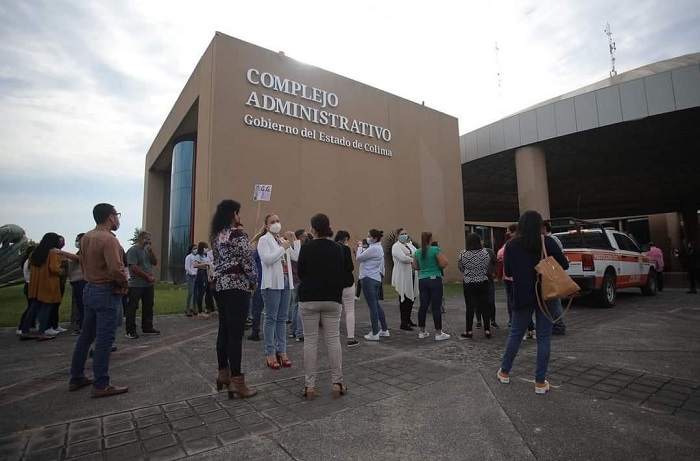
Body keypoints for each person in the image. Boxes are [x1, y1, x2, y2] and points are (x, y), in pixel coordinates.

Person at [497, 210, 569, 395]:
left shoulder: (511, 245)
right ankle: (540, 382)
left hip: (522, 294)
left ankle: (504, 372)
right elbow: (565, 264)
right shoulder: (548, 242)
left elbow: (510, 272)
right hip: (546, 294)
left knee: (515, 334)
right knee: (544, 337)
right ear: (540, 225)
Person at [69, 203, 129, 397]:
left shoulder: (87, 237)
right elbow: (115, 269)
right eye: (117, 215)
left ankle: (76, 376)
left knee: (86, 336)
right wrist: (124, 283)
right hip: (106, 290)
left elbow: (83, 263)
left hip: (90, 289)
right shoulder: (109, 240)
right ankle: (101, 383)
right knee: (104, 339)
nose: (118, 219)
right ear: (111, 217)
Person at [210, 199, 258, 398]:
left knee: (225, 330)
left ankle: (223, 372)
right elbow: (247, 260)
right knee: (236, 335)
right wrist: (254, 279)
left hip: (219, 284)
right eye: (238, 213)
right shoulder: (237, 234)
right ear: (234, 214)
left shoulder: (217, 235)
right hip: (236, 285)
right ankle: (237, 380)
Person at [298, 213, 348, 399]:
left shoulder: (306, 248)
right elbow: (340, 272)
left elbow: (301, 272)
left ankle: (309, 385)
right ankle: (337, 382)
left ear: (313, 229)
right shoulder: (338, 249)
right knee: (333, 340)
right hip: (332, 298)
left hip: (309, 298)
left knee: (310, 342)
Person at [257, 213, 294, 369]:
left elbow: (295, 256)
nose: (276, 223)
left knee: (282, 318)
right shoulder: (263, 240)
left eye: (278, 221)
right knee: (271, 317)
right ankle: (270, 352)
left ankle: (282, 350)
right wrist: (282, 248)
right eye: (273, 222)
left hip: (286, 280)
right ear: (266, 225)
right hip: (272, 282)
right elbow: (267, 259)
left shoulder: (281, 240)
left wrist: (292, 241)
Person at [19, 233, 65, 341]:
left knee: (33, 308)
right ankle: (41, 333)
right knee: (46, 308)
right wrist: (62, 271)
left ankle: (25, 331)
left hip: (35, 284)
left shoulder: (34, 253)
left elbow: (29, 267)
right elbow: (54, 269)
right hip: (47, 284)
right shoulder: (53, 253)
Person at [412, 231, 450, 341]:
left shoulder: (418, 252)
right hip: (435, 278)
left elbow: (415, 266)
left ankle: (422, 331)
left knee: (423, 305)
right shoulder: (435, 250)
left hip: (423, 279)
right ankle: (438, 332)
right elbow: (443, 264)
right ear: (430, 239)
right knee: (436, 306)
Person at [457, 233, 495, 339]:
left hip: (469, 282)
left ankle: (469, 330)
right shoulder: (485, 253)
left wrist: (469, 272)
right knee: (485, 305)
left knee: (470, 307)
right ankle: (487, 330)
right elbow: (488, 265)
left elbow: (460, 267)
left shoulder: (463, 254)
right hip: (483, 280)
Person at [125, 231, 160, 339]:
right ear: (141, 239)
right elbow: (133, 267)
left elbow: (155, 262)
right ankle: (130, 330)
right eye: (148, 239)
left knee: (148, 306)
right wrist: (147, 276)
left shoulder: (146, 251)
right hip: (136, 285)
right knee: (132, 307)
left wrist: (151, 252)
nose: (150, 241)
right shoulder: (133, 250)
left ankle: (147, 327)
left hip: (148, 285)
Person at [357, 229, 390, 341]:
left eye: (369, 236)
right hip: (375, 278)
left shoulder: (374, 248)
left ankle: (375, 332)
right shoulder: (378, 248)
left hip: (368, 278)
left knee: (373, 306)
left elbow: (359, 258)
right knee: (376, 304)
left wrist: (360, 247)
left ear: (374, 238)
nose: (367, 238)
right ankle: (384, 329)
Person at [391, 228, 419, 331]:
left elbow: (417, 254)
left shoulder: (409, 245)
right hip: (403, 275)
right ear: (397, 236)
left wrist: (410, 257)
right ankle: (403, 322)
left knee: (411, 298)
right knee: (404, 298)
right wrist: (412, 258)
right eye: (402, 234)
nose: (405, 235)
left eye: (406, 233)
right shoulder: (396, 246)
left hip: (412, 274)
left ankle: (408, 319)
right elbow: (403, 258)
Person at [334, 230, 358, 346]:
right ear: (346, 239)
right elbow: (350, 267)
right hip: (347, 282)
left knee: (336, 311)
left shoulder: (331, 248)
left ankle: (334, 337)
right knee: (349, 310)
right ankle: (351, 338)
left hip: (335, 283)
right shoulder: (345, 249)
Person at [542, 221, 567, 335]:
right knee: (553, 299)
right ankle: (556, 324)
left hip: (547, 273)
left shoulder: (549, 240)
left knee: (553, 299)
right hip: (551, 272)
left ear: (543, 228)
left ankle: (557, 325)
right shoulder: (550, 240)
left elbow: (560, 257)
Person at [288, 229, 307, 342]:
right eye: (304, 236)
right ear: (299, 237)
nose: (306, 238)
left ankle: (292, 331)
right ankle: (299, 333)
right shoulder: (300, 249)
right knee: (300, 307)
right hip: (300, 280)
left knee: (294, 306)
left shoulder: (290, 248)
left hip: (294, 281)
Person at [497, 223, 517, 327]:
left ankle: (513, 319)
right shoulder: (511, 243)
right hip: (511, 276)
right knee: (512, 299)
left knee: (512, 299)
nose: (507, 233)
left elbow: (500, 255)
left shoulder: (510, 244)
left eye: (509, 231)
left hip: (510, 276)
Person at [68, 233, 87, 335]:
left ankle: (84, 327)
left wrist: (61, 252)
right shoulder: (80, 251)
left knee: (82, 305)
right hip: (76, 281)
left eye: (78, 240)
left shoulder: (85, 251)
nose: (76, 242)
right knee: (80, 305)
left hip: (81, 281)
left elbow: (78, 259)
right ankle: (82, 325)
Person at [247, 234, 264, 341]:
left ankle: (255, 331)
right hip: (268, 282)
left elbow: (252, 265)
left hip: (259, 282)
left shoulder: (258, 252)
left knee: (256, 308)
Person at [16, 245, 36, 335]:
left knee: (32, 307)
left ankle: (30, 324)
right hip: (30, 285)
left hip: (29, 285)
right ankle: (22, 326)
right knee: (31, 307)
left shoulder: (28, 261)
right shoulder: (30, 262)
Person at [193, 241, 212, 319]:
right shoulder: (198, 256)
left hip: (206, 273)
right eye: (205, 248)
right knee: (201, 292)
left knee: (209, 292)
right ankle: (200, 311)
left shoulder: (206, 256)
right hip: (201, 274)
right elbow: (195, 265)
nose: (206, 249)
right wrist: (205, 264)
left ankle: (210, 308)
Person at [184, 244, 198, 316]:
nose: (196, 249)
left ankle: (194, 307)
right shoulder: (188, 257)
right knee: (191, 291)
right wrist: (192, 273)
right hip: (190, 276)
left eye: (196, 248)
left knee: (196, 292)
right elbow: (187, 267)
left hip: (197, 276)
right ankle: (187, 308)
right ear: (191, 249)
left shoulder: (198, 257)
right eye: (194, 248)